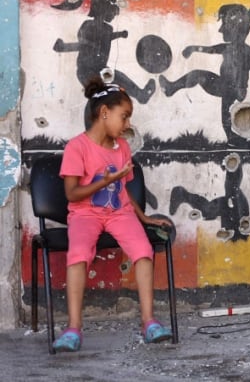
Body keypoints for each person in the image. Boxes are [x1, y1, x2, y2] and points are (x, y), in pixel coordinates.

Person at [53, 77, 174, 352]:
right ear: (104, 113)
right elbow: (72, 194)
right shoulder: (77, 147)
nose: (128, 124)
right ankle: (73, 328)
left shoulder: (123, 148)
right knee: (78, 253)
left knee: (144, 250)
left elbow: (123, 189)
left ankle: (149, 322)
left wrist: (144, 218)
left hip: (119, 212)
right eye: (125, 116)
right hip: (85, 213)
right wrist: (106, 181)